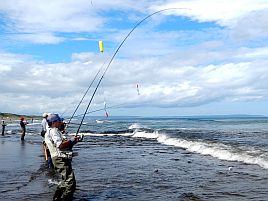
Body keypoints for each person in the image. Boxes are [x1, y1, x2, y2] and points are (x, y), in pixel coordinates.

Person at [45, 113, 81, 201]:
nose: (61, 122)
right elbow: (60, 145)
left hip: (59, 157)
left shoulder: (51, 131)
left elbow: (62, 146)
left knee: (65, 181)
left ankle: (56, 198)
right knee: (70, 182)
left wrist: (73, 142)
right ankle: (66, 198)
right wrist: (71, 140)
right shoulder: (53, 131)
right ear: (54, 122)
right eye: (59, 121)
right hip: (59, 158)